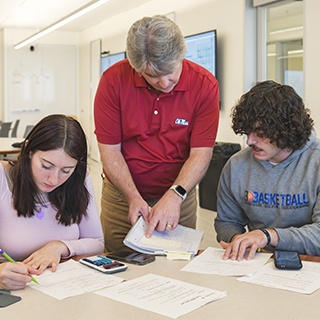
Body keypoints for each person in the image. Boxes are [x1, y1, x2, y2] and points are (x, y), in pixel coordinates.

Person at [94, 15, 219, 252]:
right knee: (119, 267)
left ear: (181, 55)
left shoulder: (205, 85)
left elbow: (201, 154)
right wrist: (132, 196)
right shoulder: (112, 82)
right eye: (151, 75)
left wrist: (175, 195)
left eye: (170, 71)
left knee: (176, 271)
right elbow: (110, 151)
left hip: (179, 195)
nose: (163, 82)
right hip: (122, 198)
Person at [214, 80, 320, 261]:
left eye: (260, 133)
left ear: (286, 130)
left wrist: (268, 236)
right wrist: (237, 240)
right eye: (247, 132)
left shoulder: (315, 163)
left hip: (310, 263)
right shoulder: (236, 166)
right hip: (259, 261)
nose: (249, 141)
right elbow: (227, 222)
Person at [0, 115, 104, 290]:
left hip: (64, 287)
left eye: (66, 170)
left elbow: (97, 243)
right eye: (46, 166)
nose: (53, 179)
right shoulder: (3, 178)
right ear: (29, 151)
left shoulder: (79, 179)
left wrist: (59, 247)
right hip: (14, 291)